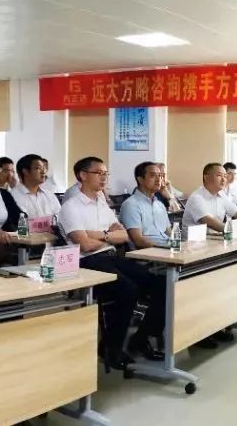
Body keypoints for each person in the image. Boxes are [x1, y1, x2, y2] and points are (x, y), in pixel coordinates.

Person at [58, 156, 166, 368]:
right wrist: (107, 236)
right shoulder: (71, 207)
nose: (104, 178)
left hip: (111, 256)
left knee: (161, 284)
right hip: (87, 262)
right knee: (127, 290)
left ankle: (141, 337)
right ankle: (111, 349)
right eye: (99, 173)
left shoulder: (101, 202)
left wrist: (98, 235)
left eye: (106, 173)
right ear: (83, 175)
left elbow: (123, 235)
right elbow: (85, 244)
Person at [183, 163, 237, 230]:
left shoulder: (221, 195)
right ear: (206, 177)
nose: (223, 179)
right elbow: (208, 220)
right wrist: (231, 230)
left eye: (225, 176)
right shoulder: (196, 197)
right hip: (194, 241)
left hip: (214, 238)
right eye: (219, 175)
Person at [120, 162, 172, 250]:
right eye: (153, 175)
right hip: (151, 252)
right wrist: (168, 247)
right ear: (140, 179)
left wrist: (178, 245)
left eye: (160, 175)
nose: (159, 179)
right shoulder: (131, 205)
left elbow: (169, 233)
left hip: (167, 248)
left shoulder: (160, 205)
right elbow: (138, 240)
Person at [10, 154, 61, 218]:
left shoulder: (49, 195)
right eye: (38, 168)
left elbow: (60, 218)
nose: (43, 172)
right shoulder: (11, 197)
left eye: (44, 168)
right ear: (26, 171)